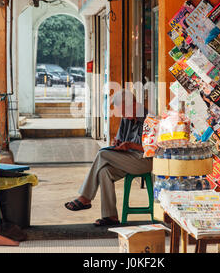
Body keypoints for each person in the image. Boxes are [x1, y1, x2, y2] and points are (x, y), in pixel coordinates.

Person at [64, 89, 153, 226]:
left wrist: (131, 145)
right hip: (127, 159)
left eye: (124, 111)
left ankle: (85, 198)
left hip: (144, 161)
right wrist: (117, 143)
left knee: (102, 153)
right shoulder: (126, 119)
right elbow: (120, 139)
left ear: (134, 105)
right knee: (104, 171)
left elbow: (153, 149)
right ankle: (110, 216)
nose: (123, 115)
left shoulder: (150, 119)